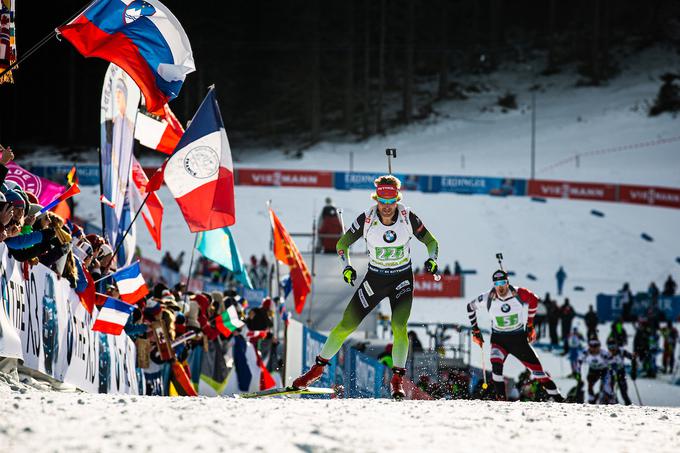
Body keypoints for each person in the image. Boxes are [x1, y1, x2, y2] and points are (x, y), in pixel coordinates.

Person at [292, 175, 439, 399]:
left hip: (401, 279)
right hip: (375, 279)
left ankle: (397, 379)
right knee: (345, 325)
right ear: (376, 198)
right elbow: (342, 244)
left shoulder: (408, 218)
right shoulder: (367, 219)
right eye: (382, 201)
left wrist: (432, 260)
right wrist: (347, 267)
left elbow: (431, 242)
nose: (387, 207)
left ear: (397, 199)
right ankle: (317, 369)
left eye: (392, 202)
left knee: (399, 326)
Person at [466, 269, 564, 402]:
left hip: (518, 340)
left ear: (507, 282)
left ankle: (559, 399)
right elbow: (470, 307)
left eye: (502, 282)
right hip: (499, 340)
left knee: (538, 373)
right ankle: (501, 399)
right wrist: (475, 330)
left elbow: (534, 300)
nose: (500, 286)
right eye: (497, 283)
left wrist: (530, 325)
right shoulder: (488, 297)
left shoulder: (518, 293)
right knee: (496, 366)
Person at [605, 338, 634, 405]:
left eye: (614, 346)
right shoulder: (606, 354)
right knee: (610, 391)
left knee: (623, 392)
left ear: (617, 346)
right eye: (610, 347)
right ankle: (613, 403)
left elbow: (632, 357)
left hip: (621, 372)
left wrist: (633, 371)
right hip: (611, 373)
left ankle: (628, 405)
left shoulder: (622, 351)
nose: (612, 349)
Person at [581, 338, 611, 404]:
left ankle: (605, 400)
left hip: (603, 370)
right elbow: (579, 360)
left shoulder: (604, 353)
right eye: (591, 346)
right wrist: (577, 372)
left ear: (599, 346)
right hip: (592, 370)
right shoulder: (586, 352)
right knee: (590, 385)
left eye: (595, 346)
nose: (593, 348)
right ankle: (591, 401)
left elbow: (612, 361)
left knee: (605, 387)